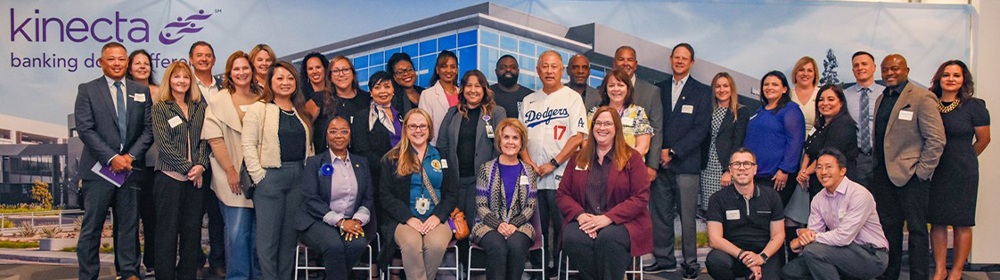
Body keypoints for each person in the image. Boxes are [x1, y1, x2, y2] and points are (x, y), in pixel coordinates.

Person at [74, 42, 152, 280]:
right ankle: (88, 275)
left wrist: (128, 157)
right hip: (98, 171)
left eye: (121, 59)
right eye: (111, 59)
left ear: (126, 62)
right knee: (92, 229)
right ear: (101, 62)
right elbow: (85, 129)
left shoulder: (141, 90)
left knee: (128, 227)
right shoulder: (87, 89)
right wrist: (112, 157)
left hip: (129, 170)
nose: (117, 63)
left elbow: (148, 130)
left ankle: (129, 272)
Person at [871, 54, 946, 280]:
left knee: (917, 231)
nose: (890, 73)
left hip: (912, 177)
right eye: (885, 70)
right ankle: (890, 275)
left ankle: (919, 276)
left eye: (895, 68)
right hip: (884, 177)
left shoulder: (923, 98)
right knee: (889, 231)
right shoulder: (881, 98)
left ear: (906, 70)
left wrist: (921, 173)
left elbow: (937, 140)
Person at [557, 106, 652, 280]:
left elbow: (640, 197)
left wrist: (608, 218)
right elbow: (563, 194)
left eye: (608, 124)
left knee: (608, 239)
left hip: (622, 222)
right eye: (598, 123)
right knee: (572, 237)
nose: (602, 128)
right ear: (592, 128)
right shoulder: (578, 158)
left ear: (616, 129)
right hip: (586, 221)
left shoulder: (632, 158)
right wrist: (580, 216)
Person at [242, 61, 315, 280]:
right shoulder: (259, 109)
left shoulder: (300, 111)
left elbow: (309, 148)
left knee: (289, 238)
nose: (285, 83)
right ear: (270, 82)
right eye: (280, 78)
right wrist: (259, 176)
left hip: (298, 178)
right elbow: (248, 144)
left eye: (290, 78)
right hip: (270, 177)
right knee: (268, 240)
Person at [520, 50, 588, 276]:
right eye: (544, 67)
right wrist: (529, 164)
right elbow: (519, 137)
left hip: (561, 176)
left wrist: (553, 163)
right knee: (536, 228)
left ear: (562, 70)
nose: (549, 71)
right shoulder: (529, 100)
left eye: (554, 67)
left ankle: (561, 271)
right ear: (538, 71)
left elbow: (578, 137)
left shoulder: (572, 97)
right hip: (533, 176)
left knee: (562, 228)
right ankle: (541, 271)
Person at [647, 43, 712, 278]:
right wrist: (659, 154)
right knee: (660, 215)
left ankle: (691, 262)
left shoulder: (703, 91)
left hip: (686, 163)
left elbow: (701, 129)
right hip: (660, 165)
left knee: (687, 217)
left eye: (685, 58)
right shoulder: (659, 88)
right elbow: (654, 123)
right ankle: (663, 259)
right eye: (677, 57)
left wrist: (673, 151)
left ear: (692, 62)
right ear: (671, 59)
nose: (680, 61)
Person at [782, 148, 889, 280]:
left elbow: (843, 237)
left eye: (829, 167)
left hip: (871, 255)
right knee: (791, 271)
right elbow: (813, 234)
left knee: (813, 252)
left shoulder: (859, 194)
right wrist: (805, 238)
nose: (823, 172)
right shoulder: (818, 199)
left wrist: (805, 238)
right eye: (819, 167)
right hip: (839, 251)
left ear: (842, 171)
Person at [201, 51, 262, 280]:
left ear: (252, 71)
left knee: (259, 234)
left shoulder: (263, 98)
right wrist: (231, 170)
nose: (241, 73)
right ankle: (237, 276)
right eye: (236, 69)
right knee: (237, 233)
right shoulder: (219, 100)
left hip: (260, 177)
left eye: (245, 68)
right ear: (229, 73)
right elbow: (215, 139)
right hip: (232, 177)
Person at [928, 60, 990, 280]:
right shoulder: (930, 103)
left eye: (956, 75)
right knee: (937, 221)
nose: (951, 79)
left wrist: (966, 158)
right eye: (946, 75)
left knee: (962, 222)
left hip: (963, 171)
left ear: (964, 79)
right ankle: (940, 269)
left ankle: (956, 271)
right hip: (936, 171)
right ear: (939, 79)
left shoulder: (974, 106)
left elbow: (984, 139)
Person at [378, 109, 458, 280]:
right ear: (406, 129)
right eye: (413, 126)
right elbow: (385, 195)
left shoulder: (442, 155)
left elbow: (452, 192)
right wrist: (408, 218)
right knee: (412, 245)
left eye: (422, 126)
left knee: (435, 245)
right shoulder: (392, 158)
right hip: (404, 219)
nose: (418, 130)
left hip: (436, 219)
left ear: (429, 129)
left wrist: (437, 216)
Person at [296, 116, 375, 280]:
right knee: (334, 245)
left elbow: (368, 198)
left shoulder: (362, 163)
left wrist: (357, 221)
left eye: (344, 131)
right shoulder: (315, 162)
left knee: (358, 244)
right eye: (333, 131)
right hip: (316, 221)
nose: (339, 136)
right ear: (326, 136)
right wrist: (340, 222)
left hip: (351, 221)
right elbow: (311, 198)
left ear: (350, 136)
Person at [151, 61, 210, 280]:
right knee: (167, 233)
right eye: (177, 77)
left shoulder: (199, 107)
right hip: (169, 177)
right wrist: (188, 169)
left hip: (195, 179)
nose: (181, 81)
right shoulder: (160, 107)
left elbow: (206, 140)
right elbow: (163, 146)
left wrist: (201, 166)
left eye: (186, 77)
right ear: (169, 80)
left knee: (192, 232)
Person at [436, 69, 506, 231]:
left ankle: (474, 257)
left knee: (478, 225)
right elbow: (442, 145)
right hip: (456, 180)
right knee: (458, 225)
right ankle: (459, 257)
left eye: (477, 86)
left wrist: (490, 174)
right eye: (468, 85)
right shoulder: (452, 112)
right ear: (462, 89)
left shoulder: (496, 112)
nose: (473, 90)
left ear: (484, 89)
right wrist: (447, 174)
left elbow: (502, 146)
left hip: (483, 180)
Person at [470, 118, 539, 280]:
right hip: (487, 225)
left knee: (516, 246)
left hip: (521, 226)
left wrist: (513, 225)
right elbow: (480, 204)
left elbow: (530, 204)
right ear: (499, 141)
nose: (510, 142)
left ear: (522, 143)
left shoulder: (529, 171)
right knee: (497, 246)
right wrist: (499, 224)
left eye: (515, 138)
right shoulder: (485, 169)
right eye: (506, 137)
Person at [705, 148, 785, 280]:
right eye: (737, 164)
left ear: (755, 169)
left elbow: (778, 234)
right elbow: (714, 239)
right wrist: (744, 257)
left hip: (763, 255)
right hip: (733, 254)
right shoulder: (717, 199)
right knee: (715, 260)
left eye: (747, 164)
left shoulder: (771, 196)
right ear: (730, 170)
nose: (742, 168)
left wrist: (761, 258)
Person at [189, 39, 226, 279]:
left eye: (208, 55)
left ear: (213, 60)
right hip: (193, 161)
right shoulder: (183, 85)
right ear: (190, 60)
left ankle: (218, 262)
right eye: (198, 55)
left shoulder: (224, 87)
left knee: (218, 216)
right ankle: (194, 262)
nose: (204, 59)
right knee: (192, 216)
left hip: (220, 160)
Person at [743, 71, 805, 204]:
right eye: (766, 84)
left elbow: (795, 142)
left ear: (784, 89)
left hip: (775, 177)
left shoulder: (791, 110)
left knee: (768, 217)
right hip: (755, 174)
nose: (769, 87)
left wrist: (785, 170)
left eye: (775, 84)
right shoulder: (760, 110)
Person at [606, 46, 663, 180]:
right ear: (614, 64)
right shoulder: (603, 91)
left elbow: (657, 128)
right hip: (604, 167)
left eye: (630, 60)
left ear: (635, 65)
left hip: (636, 166)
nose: (625, 63)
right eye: (621, 59)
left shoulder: (651, 91)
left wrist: (652, 165)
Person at [125, 48, 158, 277]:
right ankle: (131, 266)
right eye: (137, 63)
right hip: (132, 163)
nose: (142, 67)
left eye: (146, 63)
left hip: (157, 163)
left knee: (153, 217)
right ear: (130, 67)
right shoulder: (123, 92)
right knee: (130, 219)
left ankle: (153, 262)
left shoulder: (160, 91)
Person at [699, 73, 750, 212]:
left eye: (726, 86)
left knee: (728, 209)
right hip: (707, 168)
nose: (722, 90)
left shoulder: (741, 111)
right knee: (710, 210)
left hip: (726, 168)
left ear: (732, 88)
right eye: (718, 86)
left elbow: (738, 142)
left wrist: (729, 170)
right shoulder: (708, 110)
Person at [796, 84, 858, 199]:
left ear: (841, 102)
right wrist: (804, 170)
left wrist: (806, 173)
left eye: (831, 99)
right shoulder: (820, 126)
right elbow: (808, 148)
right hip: (819, 183)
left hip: (837, 187)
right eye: (821, 100)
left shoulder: (843, 124)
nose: (825, 103)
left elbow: (827, 154)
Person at [350, 71, 404, 196]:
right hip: (378, 176)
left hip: (403, 173)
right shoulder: (363, 117)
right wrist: (387, 168)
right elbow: (361, 150)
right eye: (377, 87)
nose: (383, 91)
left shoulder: (400, 115)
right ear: (370, 91)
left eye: (387, 86)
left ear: (393, 89)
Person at [842, 51, 885, 188]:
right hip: (856, 158)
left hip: (881, 157)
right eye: (856, 65)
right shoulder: (844, 95)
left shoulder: (886, 94)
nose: (860, 68)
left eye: (864, 64)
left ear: (874, 67)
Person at [589, 68, 653, 157]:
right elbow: (586, 142)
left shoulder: (638, 113)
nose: (616, 89)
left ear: (628, 88)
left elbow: (643, 147)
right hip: (600, 166)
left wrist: (623, 164)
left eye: (620, 85)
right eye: (611, 85)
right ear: (605, 89)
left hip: (629, 167)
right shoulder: (595, 113)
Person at [420, 50, 460, 145]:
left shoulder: (463, 93)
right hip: (437, 148)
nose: (449, 71)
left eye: (453, 67)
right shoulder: (427, 94)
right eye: (444, 66)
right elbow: (425, 126)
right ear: (437, 70)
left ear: (457, 70)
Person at [301, 53, 335, 153]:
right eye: (310, 69)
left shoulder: (335, 90)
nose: (314, 71)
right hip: (314, 147)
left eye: (318, 67)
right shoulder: (301, 94)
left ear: (325, 68)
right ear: (306, 72)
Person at [328, 55, 372, 126]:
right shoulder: (323, 100)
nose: (341, 74)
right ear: (330, 76)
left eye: (345, 69)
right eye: (336, 71)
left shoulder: (367, 99)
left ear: (353, 73)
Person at [489, 55, 534, 119]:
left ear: (518, 71)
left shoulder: (529, 96)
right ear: (496, 71)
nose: (508, 69)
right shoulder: (487, 94)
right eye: (502, 67)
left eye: (513, 67)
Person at [790, 56, 820, 135]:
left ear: (815, 74)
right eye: (801, 70)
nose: (805, 74)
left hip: (816, 144)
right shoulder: (787, 96)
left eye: (809, 70)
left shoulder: (821, 95)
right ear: (795, 72)